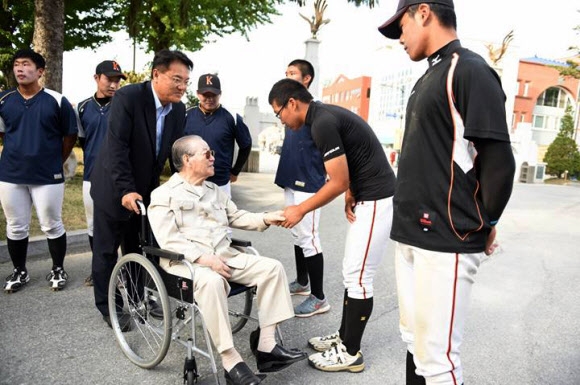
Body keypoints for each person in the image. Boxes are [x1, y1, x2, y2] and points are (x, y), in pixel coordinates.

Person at [378, 1, 516, 384]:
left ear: (423, 12)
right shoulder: (429, 75)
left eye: (401, 26)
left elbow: (499, 160)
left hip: (447, 238)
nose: (399, 37)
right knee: (415, 344)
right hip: (410, 235)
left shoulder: (469, 70)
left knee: (438, 362)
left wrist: (487, 221)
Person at [148, 135, 307, 385]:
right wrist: (205, 259)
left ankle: (266, 346)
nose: (214, 157)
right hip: (186, 265)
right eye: (207, 153)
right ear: (187, 159)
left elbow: (237, 216)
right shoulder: (163, 195)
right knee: (212, 283)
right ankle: (230, 360)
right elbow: (169, 240)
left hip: (225, 257)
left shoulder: (214, 191)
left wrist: (267, 218)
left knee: (272, 268)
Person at [268, 78, 397, 373]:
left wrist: (301, 208)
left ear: (292, 103)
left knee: (359, 276)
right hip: (367, 196)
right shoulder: (321, 117)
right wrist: (351, 192)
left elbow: (337, 181)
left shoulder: (322, 122)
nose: (282, 121)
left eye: (279, 114)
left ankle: (351, 353)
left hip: (377, 199)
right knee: (352, 272)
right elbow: (353, 161)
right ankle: (343, 338)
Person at [89, 49, 192, 330]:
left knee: (139, 248)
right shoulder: (129, 97)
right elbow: (117, 147)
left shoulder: (179, 109)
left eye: (186, 81)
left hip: (146, 190)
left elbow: (174, 153)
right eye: (176, 79)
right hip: (114, 187)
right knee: (107, 252)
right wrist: (125, 190)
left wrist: (183, 185)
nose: (182, 87)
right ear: (156, 74)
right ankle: (109, 306)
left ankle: (137, 300)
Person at [0, 48, 78, 293]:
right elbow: (3, 133)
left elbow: (70, 135)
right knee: (15, 225)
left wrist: (56, 160)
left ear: (40, 71)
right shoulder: (4, 100)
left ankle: (57, 268)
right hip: (11, 174)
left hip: (47, 175)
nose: (19, 69)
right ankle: (20, 271)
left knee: (51, 224)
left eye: (26, 64)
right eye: (16, 64)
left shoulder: (56, 100)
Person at [274, 59, 329, 317]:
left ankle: (319, 298)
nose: (288, 76)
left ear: (306, 79)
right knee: (297, 233)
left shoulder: (315, 112)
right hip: (290, 178)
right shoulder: (289, 107)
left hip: (309, 182)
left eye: (293, 73)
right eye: (286, 73)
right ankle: (302, 282)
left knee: (310, 239)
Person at [75, 60, 126, 287]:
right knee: (94, 225)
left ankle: (125, 270)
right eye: (109, 79)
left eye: (117, 80)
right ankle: (100, 271)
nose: (114, 84)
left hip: (121, 177)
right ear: (97, 78)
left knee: (124, 226)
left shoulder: (125, 106)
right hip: (92, 176)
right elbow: (83, 141)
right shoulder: (83, 107)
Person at [184, 73, 252, 197]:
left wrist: (235, 171)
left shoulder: (231, 117)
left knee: (221, 216)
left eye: (213, 95)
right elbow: (175, 147)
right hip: (190, 182)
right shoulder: (187, 115)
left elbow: (246, 144)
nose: (210, 99)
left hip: (220, 183)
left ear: (220, 93)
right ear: (198, 93)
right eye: (206, 95)